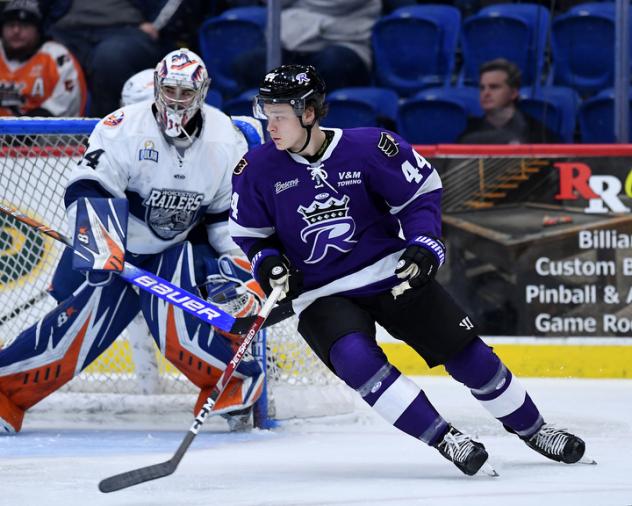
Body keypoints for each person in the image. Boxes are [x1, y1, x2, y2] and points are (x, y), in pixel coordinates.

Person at [228, 64, 589, 476]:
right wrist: (269, 263)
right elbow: (253, 236)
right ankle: (445, 438)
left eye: (279, 115)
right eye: (265, 112)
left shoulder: (369, 148)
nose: (269, 125)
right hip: (320, 292)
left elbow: (421, 196)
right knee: (356, 361)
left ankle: (534, 429)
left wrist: (423, 243)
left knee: (470, 357)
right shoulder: (255, 170)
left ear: (309, 113)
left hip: (388, 273)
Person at [0, 48, 265, 434]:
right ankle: (4, 393)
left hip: (178, 248)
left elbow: (226, 218)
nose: (176, 100)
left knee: (179, 329)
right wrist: (101, 241)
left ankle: (236, 384)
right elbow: (90, 183)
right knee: (74, 332)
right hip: (118, 245)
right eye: (169, 90)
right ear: (158, 87)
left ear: (202, 91)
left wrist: (237, 268)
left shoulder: (226, 139)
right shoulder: (122, 126)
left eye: (185, 92)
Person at [40, 0, 185, 116]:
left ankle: (105, 138)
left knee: (108, 60)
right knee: (40, 55)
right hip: (67, 30)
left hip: (125, 29)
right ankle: (34, 138)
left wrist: (156, 24)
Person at [232, 0, 380, 94]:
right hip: (290, 43)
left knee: (332, 65)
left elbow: (337, 3)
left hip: (343, 42)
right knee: (249, 65)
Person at [0, 0, 86, 117]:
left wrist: (22, 130)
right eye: (10, 25)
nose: (16, 31)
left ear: (37, 30)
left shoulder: (58, 57)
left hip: (43, 133)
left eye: (24, 25)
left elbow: (62, 109)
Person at [458, 58, 560, 144]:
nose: (486, 93)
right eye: (482, 88)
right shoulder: (469, 135)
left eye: (494, 87)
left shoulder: (538, 134)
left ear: (513, 93)